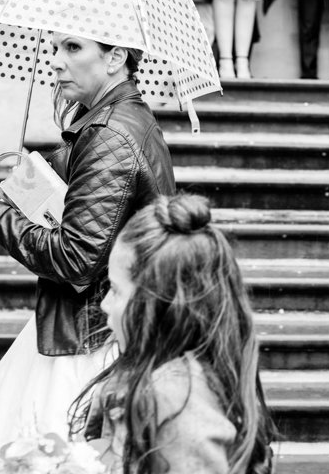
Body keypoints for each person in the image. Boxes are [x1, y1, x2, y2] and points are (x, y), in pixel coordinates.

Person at [0, 33, 176, 473]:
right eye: (57, 48)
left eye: (73, 48)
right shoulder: (110, 120)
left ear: (116, 57)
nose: (55, 62)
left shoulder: (110, 135)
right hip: (87, 325)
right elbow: (65, 220)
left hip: (90, 340)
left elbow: (76, 259)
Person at [73, 193, 275, 474]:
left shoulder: (174, 399)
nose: (105, 304)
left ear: (160, 306)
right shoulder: (153, 377)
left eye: (116, 290)